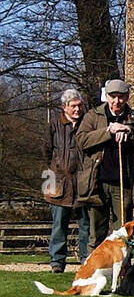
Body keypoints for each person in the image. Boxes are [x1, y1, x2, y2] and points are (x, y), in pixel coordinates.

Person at [76, 78, 134, 246]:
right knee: (97, 232)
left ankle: (123, 270)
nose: (117, 101)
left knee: (124, 233)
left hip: (124, 183)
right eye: (113, 96)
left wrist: (130, 131)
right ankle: (94, 270)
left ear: (127, 97)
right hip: (96, 183)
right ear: (107, 96)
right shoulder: (93, 115)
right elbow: (81, 141)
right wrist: (108, 131)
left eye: (121, 97)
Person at [43, 88, 91, 273]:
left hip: (83, 180)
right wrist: (54, 169)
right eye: (73, 106)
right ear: (64, 107)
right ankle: (57, 261)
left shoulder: (87, 123)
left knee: (85, 224)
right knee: (58, 225)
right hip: (57, 181)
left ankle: (86, 260)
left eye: (79, 106)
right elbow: (46, 150)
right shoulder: (54, 124)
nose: (77, 110)